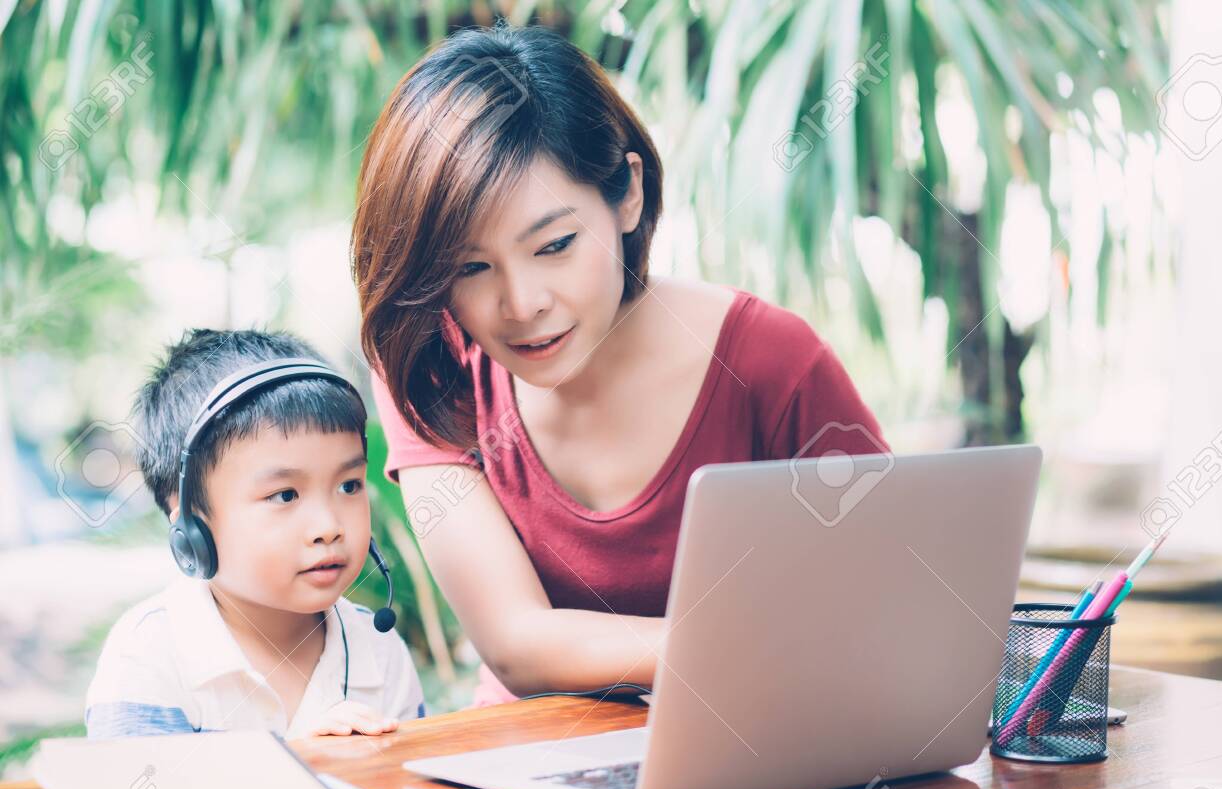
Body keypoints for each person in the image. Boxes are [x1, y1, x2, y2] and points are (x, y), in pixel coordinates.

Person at [352, 23, 889, 707]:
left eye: (555, 245)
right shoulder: (429, 366)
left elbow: (892, 600)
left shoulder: (772, 361)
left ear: (627, 193)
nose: (522, 305)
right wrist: (767, 645)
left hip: (755, 763)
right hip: (526, 775)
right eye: (470, 266)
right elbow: (517, 645)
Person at [84, 329, 425, 738]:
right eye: (285, 495)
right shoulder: (149, 656)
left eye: (348, 486)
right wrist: (299, 765)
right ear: (191, 526)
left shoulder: (379, 649)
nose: (329, 527)